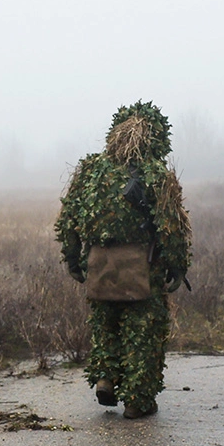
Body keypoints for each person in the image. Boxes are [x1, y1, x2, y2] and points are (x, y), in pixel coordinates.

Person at [55, 101, 192, 419]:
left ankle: (106, 379)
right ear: (157, 139)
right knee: (142, 333)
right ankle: (137, 401)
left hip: (99, 264)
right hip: (141, 266)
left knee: (105, 326)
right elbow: (170, 226)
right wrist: (177, 265)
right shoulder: (155, 173)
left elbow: (68, 221)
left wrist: (75, 262)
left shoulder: (90, 170)